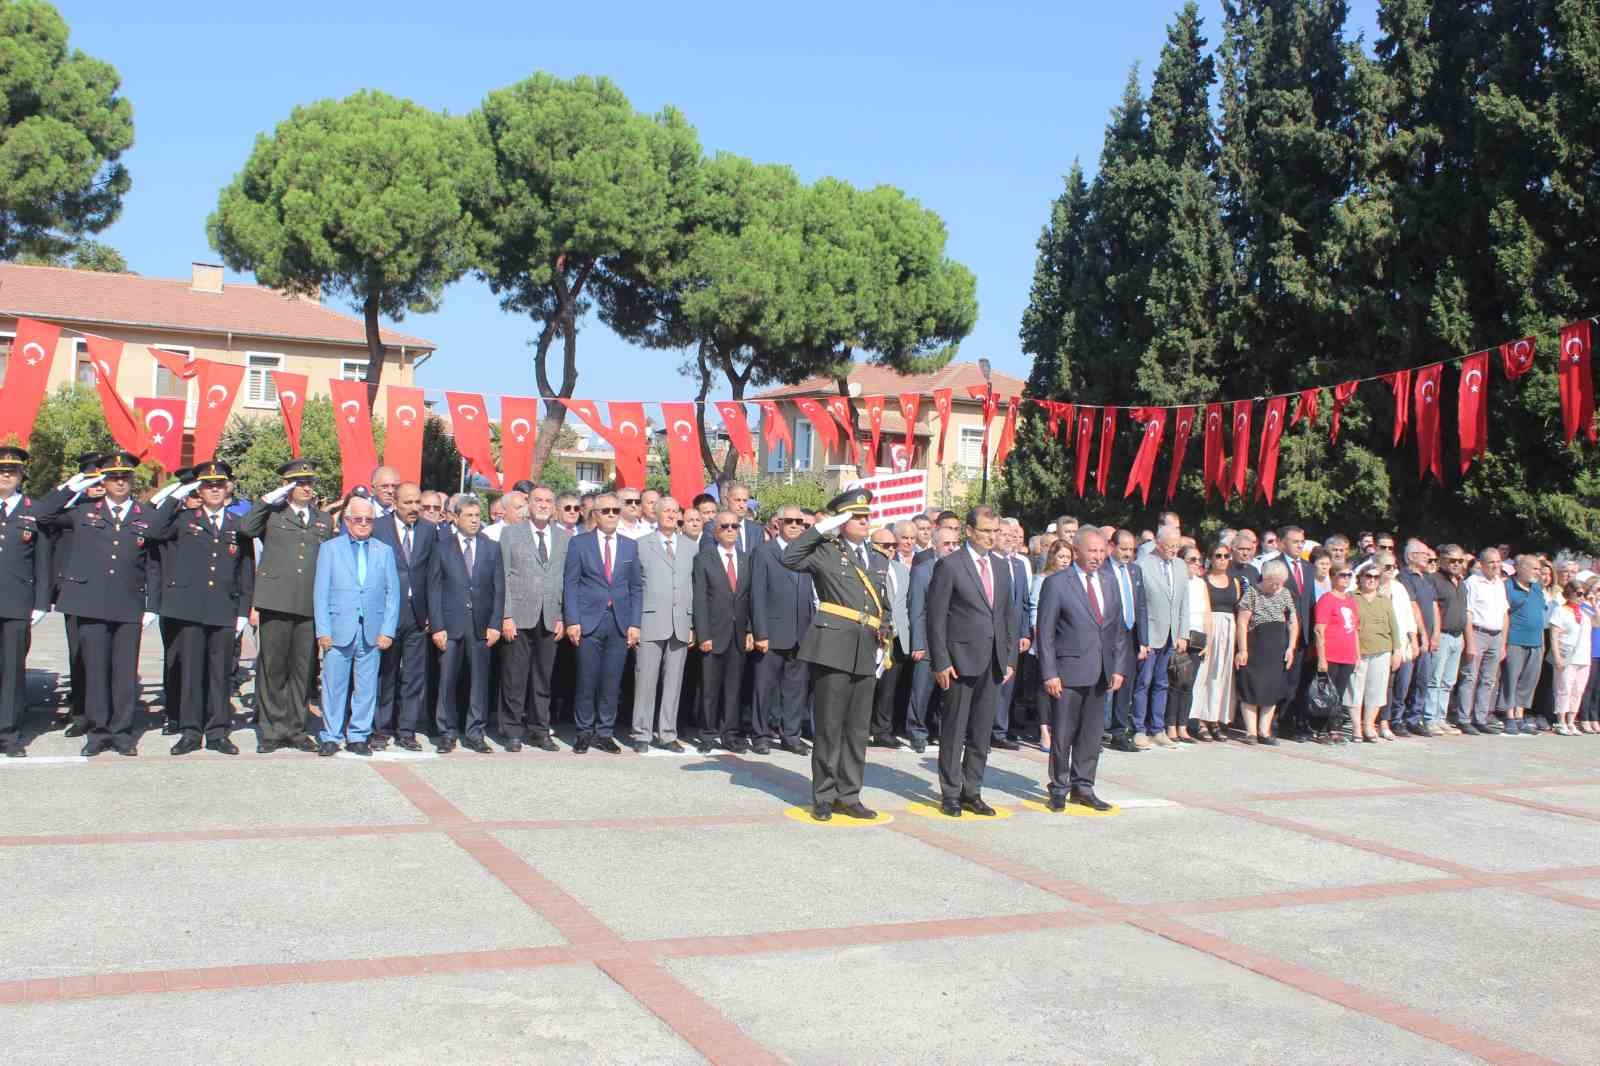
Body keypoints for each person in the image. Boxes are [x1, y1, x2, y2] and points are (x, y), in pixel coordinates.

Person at [39, 452, 186, 756]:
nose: (119, 482)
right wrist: (76, 485)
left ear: (132, 481)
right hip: (90, 603)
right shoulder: (82, 512)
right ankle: (98, 733)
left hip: (128, 604)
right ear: (103, 481)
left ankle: (122, 733)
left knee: (123, 673)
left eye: (125, 477)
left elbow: (154, 561)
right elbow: (43, 514)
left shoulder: (145, 515)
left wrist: (151, 606)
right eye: (113, 477)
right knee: (95, 672)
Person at [783, 489, 891, 822]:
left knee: (858, 728)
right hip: (832, 646)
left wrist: (886, 634)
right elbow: (789, 557)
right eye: (855, 517)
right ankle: (824, 795)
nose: (863, 521)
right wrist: (821, 528)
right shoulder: (826, 552)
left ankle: (850, 793)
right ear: (842, 521)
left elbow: (882, 604)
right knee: (830, 726)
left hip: (866, 648)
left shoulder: (878, 557)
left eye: (865, 516)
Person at [153, 460, 254, 756]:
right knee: (191, 673)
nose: (214, 490)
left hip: (223, 609)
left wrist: (242, 612)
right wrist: (176, 493)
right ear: (199, 488)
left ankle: (218, 732)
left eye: (219, 485)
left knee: (220, 674)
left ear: (227, 489)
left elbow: (246, 570)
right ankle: (189, 731)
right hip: (189, 609)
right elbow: (154, 529)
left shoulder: (238, 525)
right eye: (208, 485)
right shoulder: (184, 519)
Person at [926, 506, 1018, 818]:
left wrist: (1009, 659)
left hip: (992, 662)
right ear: (969, 531)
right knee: (954, 731)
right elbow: (936, 618)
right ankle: (950, 792)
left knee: (981, 732)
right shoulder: (951, 565)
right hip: (959, 661)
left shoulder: (1002, 567)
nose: (992, 537)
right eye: (985, 531)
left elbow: (1008, 616)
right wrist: (940, 661)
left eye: (995, 531)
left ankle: (972, 791)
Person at [239, 460, 335, 753]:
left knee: (302, 670)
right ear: (287, 485)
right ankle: (271, 730)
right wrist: (269, 498)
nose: (306, 487)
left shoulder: (323, 520)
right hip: (276, 601)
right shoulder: (272, 515)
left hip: (308, 604)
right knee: (273, 669)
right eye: (298, 482)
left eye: (309, 482)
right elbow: (246, 528)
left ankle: (295, 728)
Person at [1036, 528, 1125, 812]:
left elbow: (1118, 630)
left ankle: (1083, 786)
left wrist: (1119, 667)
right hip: (1068, 670)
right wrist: (1049, 672)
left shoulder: (1110, 582)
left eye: (1101, 551)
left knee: (1091, 734)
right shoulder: (1058, 583)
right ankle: (1059, 787)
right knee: (1063, 733)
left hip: (1101, 670)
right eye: (1092, 551)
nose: (1098, 557)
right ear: (1077, 550)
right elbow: (1045, 632)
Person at [312, 493, 400, 756]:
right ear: (347, 520)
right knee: (333, 686)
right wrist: (323, 630)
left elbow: (392, 594)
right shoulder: (330, 549)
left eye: (369, 520)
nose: (363, 524)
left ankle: (359, 735)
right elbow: (321, 592)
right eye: (358, 519)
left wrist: (387, 630)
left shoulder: (383, 552)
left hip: (371, 631)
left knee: (366, 687)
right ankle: (330, 735)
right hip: (339, 629)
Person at [562, 492, 642, 753]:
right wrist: (572, 620)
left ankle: (604, 732)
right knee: (587, 679)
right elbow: (571, 583)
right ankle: (584, 731)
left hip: (619, 622)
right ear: (594, 514)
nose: (611, 515)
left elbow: (636, 588)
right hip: (588, 621)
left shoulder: (630, 546)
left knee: (611, 680)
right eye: (605, 510)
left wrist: (635, 623)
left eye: (615, 511)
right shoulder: (579, 543)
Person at [428, 496, 504, 753]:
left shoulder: (491, 547)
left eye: (476, 515)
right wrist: (437, 626)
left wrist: (495, 623)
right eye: (468, 516)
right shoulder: (442, 547)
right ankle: (447, 733)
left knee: (479, 681)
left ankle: (475, 732)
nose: (474, 520)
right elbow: (434, 589)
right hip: (450, 624)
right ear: (456, 518)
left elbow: (499, 589)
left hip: (481, 624)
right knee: (447, 680)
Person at [499, 484, 569, 752]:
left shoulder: (563, 537)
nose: (543, 505)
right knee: (515, 678)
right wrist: (506, 615)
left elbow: (566, 579)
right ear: (529, 504)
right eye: (538, 500)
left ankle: (540, 730)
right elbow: (504, 576)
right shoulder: (510, 534)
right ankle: (513, 730)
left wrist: (563, 615)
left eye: (548, 501)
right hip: (518, 615)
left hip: (550, 617)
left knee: (543, 679)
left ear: (554, 507)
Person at [369, 481, 436, 751]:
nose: (414, 508)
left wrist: (432, 612)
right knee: (386, 673)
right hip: (387, 612)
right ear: (394, 503)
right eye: (407, 503)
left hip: (418, 614)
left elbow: (434, 573)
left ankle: (406, 730)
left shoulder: (429, 530)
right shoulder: (379, 527)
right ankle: (381, 729)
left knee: (413, 675)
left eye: (417, 502)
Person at [0, 445, 54, 757]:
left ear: (21, 476)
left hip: (17, 603)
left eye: (12, 471)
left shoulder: (33, 511)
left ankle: (8, 734)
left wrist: (41, 602)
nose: (6, 475)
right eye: (2, 471)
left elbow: (42, 561)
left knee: (12, 671)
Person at [749, 506, 815, 755]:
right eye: (790, 521)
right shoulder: (764, 552)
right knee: (764, 688)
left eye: (800, 522)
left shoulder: (808, 554)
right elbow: (757, 594)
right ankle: (760, 734)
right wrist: (760, 633)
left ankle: (791, 736)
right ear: (778, 523)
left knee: (795, 689)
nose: (796, 525)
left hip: (802, 632)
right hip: (773, 631)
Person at [630, 495, 693, 753]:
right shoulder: (641, 545)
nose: (670, 514)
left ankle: (667, 733)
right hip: (650, 620)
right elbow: (635, 585)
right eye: (665, 510)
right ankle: (641, 733)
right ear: (654, 514)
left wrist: (693, 623)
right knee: (645, 679)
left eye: (674, 511)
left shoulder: (691, 546)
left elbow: (695, 586)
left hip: (681, 622)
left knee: (674, 681)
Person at [693, 511, 754, 753]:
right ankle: (707, 734)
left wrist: (750, 629)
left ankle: (730, 734)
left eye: (734, 526)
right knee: (709, 687)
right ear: (715, 531)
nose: (730, 530)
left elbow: (749, 598)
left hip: (738, 634)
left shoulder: (745, 558)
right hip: (713, 633)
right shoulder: (704, 559)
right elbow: (700, 600)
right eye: (725, 526)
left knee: (733, 688)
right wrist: (703, 634)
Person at [907, 525, 960, 753]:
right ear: (935, 545)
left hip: (954, 642)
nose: (951, 548)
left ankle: (940, 730)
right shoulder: (923, 571)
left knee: (948, 691)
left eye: (954, 544)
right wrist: (918, 643)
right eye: (946, 544)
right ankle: (917, 731)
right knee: (922, 690)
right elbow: (916, 610)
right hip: (928, 642)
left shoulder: (961, 570)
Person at [1134, 528, 1188, 748]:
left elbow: (1184, 601)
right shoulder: (1143, 565)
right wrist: (1141, 639)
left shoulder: (1181, 566)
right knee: (1143, 682)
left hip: (1171, 634)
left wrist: (1183, 634)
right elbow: (1140, 604)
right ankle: (1139, 729)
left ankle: (1158, 728)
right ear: (1158, 544)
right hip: (1150, 634)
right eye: (1169, 547)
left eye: (1177, 547)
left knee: (1162, 682)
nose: (1173, 551)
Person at [1234, 559, 1298, 744]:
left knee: (1272, 689)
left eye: (1280, 583)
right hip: (1256, 645)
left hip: (1276, 646)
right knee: (1251, 688)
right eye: (1274, 582)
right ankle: (1251, 732)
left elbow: (1293, 621)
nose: (1277, 586)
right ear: (1266, 578)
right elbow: (1242, 621)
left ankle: (1264, 731)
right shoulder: (1252, 592)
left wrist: (1291, 647)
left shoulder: (1285, 593)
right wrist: (1243, 649)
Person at [1456, 546, 1509, 734]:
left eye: (1498, 562)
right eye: (1491, 562)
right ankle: (1463, 717)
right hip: (1478, 633)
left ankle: (1480, 717)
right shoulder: (1473, 583)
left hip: (1496, 635)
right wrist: (1470, 642)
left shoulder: (1499, 584)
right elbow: (1468, 614)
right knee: (1470, 676)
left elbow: (1504, 614)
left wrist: (1503, 643)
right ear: (1482, 564)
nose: (1495, 566)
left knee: (1488, 679)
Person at [869, 525, 913, 749]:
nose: (889, 550)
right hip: (872, 634)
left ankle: (882, 729)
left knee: (889, 687)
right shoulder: (867, 567)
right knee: (868, 685)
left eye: (893, 546)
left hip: (896, 637)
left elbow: (905, 604)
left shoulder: (901, 569)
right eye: (884, 546)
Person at [990, 519, 1032, 750]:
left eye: (1011, 534)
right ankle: (983, 729)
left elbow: (1024, 601)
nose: (1007, 538)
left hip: (1014, 633)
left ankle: (1000, 730)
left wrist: (1025, 631)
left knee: (1008, 683)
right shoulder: (990, 563)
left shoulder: (1017, 565)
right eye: (1002, 533)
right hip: (993, 631)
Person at [1104, 530, 1147, 751]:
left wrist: (1144, 640)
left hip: (1130, 635)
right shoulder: (1102, 569)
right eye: (1124, 548)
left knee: (1126, 684)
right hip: (1107, 634)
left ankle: (1119, 731)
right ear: (1112, 546)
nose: (1128, 553)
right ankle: (1099, 729)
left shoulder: (1135, 570)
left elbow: (1141, 606)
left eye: (1131, 549)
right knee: (1104, 681)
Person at [1190, 541, 1239, 741]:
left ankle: (1216, 719)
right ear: (1210, 558)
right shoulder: (1204, 581)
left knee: (1223, 676)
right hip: (1209, 627)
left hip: (1229, 630)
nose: (1222, 560)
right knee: (1205, 674)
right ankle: (1200, 720)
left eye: (1226, 556)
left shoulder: (1235, 582)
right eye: (1218, 556)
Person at [1351, 566, 1401, 743]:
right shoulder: (1352, 597)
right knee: (1355, 690)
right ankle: (1356, 727)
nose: (1371, 580)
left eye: (1375, 577)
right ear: (1360, 578)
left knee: (1377, 690)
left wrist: (1397, 650)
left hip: (1382, 649)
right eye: (1368, 576)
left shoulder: (1385, 600)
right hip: (1358, 650)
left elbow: (1394, 626)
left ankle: (1369, 725)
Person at [1425, 545, 1471, 736]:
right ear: (1442, 560)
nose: (1456, 564)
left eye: (1460, 561)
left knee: (1448, 681)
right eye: (1452, 560)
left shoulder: (1462, 582)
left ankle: (1441, 718)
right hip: (1442, 635)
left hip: (1457, 636)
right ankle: (1429, 718)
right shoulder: (1434, 580)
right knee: (1434, 679)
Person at [1500, 555, 1546, 735]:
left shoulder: (1536, 587)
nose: (1538, 572)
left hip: (1536, 641)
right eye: (1534, 568)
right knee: (1512, 678)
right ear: (1520, 568)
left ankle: (1520, 715)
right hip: (1515, 639)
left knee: (1528, 681)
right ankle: (1509, 715)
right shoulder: (1508, 586)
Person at [1313, 564, 1359, 743]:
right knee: (1325, 695)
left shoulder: (1349, 600)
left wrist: (1356, 655)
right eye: (1342, 575)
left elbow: (1354, 629)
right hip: (1330, 654)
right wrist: (1322, 657)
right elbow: (1319, 630)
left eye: (1349, 575)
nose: (1346, 578)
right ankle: (1320, 730)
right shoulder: (1326, 599)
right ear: (1332, 577)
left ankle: (1335, 728)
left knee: (1338, 695)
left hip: (1347, 655)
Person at [1549, 580, 1589, 735]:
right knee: (1563, 688)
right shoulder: (1560, 610)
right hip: (1567, 655)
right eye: (1579, 593)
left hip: (1583, 656)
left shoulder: (1585, 613)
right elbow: (1554, 634)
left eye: (1583, 594)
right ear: (1569, 593)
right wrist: (1557, 656)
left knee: (1578, 690)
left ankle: (1572, 721)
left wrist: (1593, 604)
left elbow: (1597, 622)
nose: (1581, 597)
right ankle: (1561, 720)